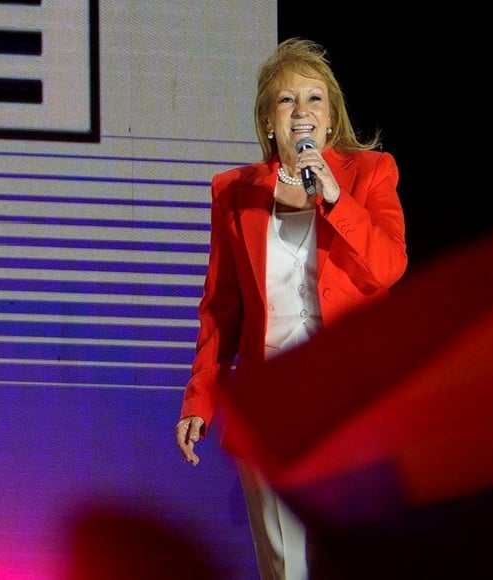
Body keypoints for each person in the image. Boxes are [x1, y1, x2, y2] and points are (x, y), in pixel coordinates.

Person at [175, 37, 408, 580]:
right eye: (287, 101)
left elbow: (389, 266)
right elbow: (221, 307)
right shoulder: (233, 192)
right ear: (268, 120)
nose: (301, 112)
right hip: (272, 402)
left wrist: (335, 199)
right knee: (288, 564)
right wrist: (199, 398)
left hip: (353, 398)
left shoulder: (370, 174)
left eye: (314, 100)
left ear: (330, 122)